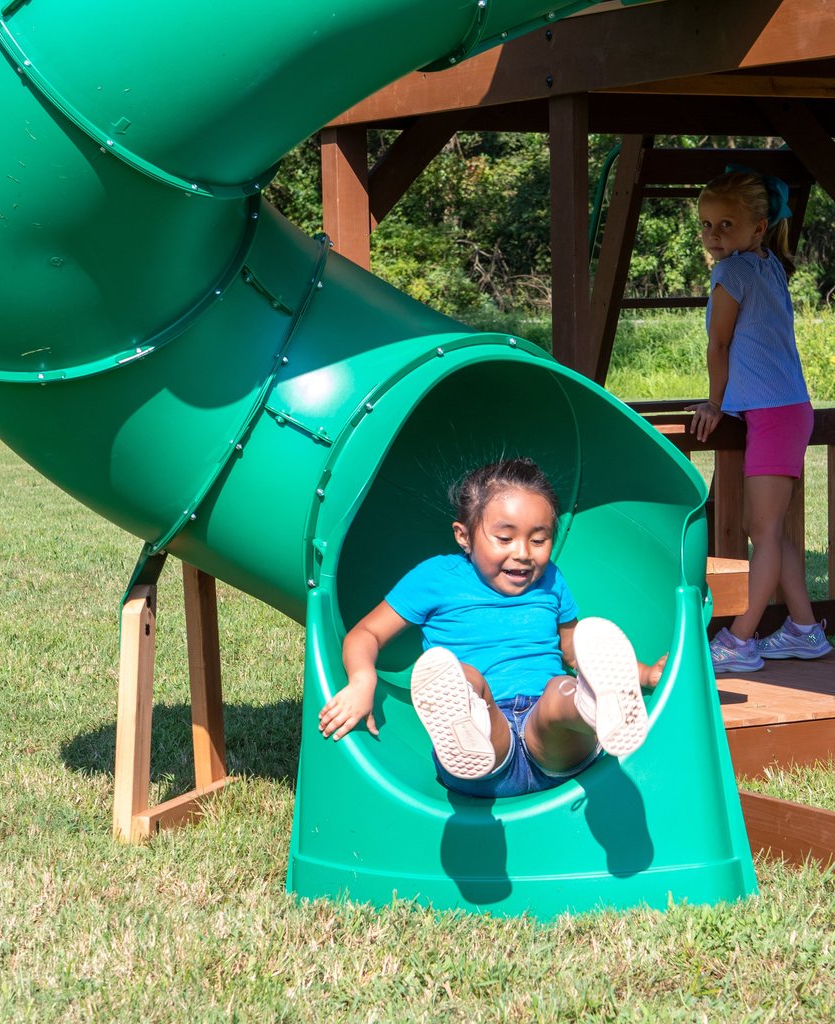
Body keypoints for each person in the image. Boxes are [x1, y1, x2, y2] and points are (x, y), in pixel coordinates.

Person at [318, 458, 667, 798]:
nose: (523, 553)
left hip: (554, 748)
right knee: (466, 678)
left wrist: (647, 674)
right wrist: (362, 681)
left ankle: (594, 707)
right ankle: (464, 727)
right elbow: (367, 633)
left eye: (538, 539)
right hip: (484, 747)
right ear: (464, 536)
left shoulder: (551, 581)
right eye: (504, 538)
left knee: (561, 690)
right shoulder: (436, 578)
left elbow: (577, 653)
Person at [689, 168, 832, 672]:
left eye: (725, 225)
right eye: (706, 224)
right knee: (769, 529)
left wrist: (712, 403)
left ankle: (741, 640)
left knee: (762, 530)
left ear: (758, 226)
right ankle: (804, 629)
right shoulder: (770, 265)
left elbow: (720, 343)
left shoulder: (732, 272)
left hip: (773, 415)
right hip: (788, 411)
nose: (712, 235)